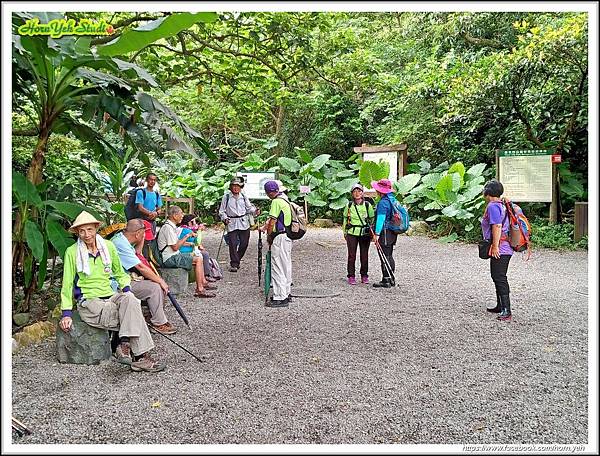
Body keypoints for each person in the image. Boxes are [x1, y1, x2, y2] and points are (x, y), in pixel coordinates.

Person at [59, 211, 166, 373]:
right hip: (89, 301)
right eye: (82, 231)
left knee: (131, 300)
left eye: (89, 229)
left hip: (111, 294)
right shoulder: (72, 252)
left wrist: (126, 290)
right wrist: (66, 313)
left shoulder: (108, 247)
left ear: (96, 228)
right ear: (77, 233)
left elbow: (120, 274)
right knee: (130, 312)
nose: (86, 234)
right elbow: (67, 284)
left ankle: (124, 344)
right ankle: (138, 354)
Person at [112, 219, 177, 335]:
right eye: (143, 234)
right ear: (137, 233)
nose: (145, 237)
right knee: (155, 288)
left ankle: (152, 316)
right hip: (117, 284)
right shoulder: (120, 244)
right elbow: (140, 267)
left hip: (124, 279)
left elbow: (137, 254)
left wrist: (140, 240)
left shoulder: (122, 239)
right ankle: (158, 323)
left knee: (154, 284)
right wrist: (161, 281)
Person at [157, 205, 217, 298]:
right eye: (181, 213)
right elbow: (175, 247)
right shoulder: (168, 228)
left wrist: (190, 244)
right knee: (198, 259)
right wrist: (187, 236)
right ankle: (200, 289)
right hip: (169, 258)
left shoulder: (170, 227)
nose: (182, 216)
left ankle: (203, 283)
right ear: (174, 215)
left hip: (172, 254)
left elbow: (174, 244)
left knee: (199, 256)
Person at [481, 179, 514, 321]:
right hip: (505, 246)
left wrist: (495, 246)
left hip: (501, 247)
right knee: (497, 276)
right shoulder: (503, 204)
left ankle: (506, 310)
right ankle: (500, 305)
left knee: (500, 277)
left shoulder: (493, 206)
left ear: (488, 192)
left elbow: (497, 226)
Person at [218, 177, 260, 272]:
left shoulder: (244, 196)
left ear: (241, 187)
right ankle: (234, 264)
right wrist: (225, 218)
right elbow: (222, 211)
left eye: (238, 186)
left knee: (244, 243)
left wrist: (256, 211)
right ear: (231, 187)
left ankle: (237, 259)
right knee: (232, 243)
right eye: (234, 186)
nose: (236, 188)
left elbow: (249, 208)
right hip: (232, 222)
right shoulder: (226, 197)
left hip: (244, 222)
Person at [262, 180, 292, 308]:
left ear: (268, 193)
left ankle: (280, 297)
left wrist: (269, 235)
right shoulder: (285, 200)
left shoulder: (275, 202)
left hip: (279, 237)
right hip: (288, 236)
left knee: (277, 266)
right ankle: (286, 292)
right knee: (286, 265)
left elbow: (273, 221)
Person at [342, 183, 375, 285]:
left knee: (364, 255)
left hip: (364, 233)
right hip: (352, 232)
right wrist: (344, 231)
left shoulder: (367, 205)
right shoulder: (349, 205)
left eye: (359, 191)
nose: (357, 193)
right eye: (355, 191)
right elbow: (345, 218)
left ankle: (364, 275)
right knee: (352, 255)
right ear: (352, 194)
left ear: (362, 193)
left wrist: (372, 232)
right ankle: (351, 276)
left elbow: (371, 218)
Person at [371, 179, 399, 288]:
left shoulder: (383, 202)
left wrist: (376, 234)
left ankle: (386, 280)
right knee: (389, 254)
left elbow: (381, 219)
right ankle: (391, 278)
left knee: (384, 255)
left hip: (385, 232)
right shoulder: (392, 199)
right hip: (392, 231)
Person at [178, 214, 217, 282]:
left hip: (186, 249)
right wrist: (199, 231)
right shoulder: (187, 231)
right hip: (186, 251)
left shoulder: (182, 228)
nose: (196, 223)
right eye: (195, 221)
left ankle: (205, 278)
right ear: (190, 222)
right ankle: (206, 276)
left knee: (204, 254)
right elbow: (197, 242)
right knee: (204, 255)